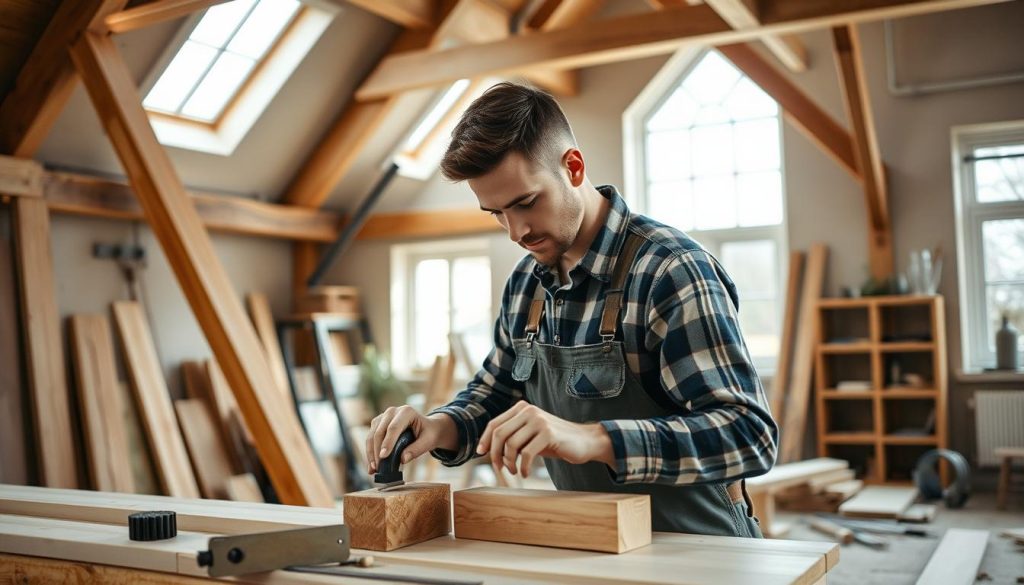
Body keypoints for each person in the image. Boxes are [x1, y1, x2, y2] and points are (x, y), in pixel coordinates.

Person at [366, 82, 776, 537]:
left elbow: (748, 435)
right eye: (495, 213)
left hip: (700, 551)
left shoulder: (670, 271)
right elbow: (496, 394)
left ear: (573, 167)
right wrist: (437, 426)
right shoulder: (526, 284)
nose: (515, 230)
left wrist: (592, 438)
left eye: (525, 203)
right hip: (595, 543)